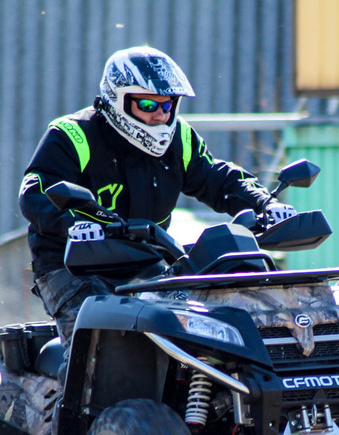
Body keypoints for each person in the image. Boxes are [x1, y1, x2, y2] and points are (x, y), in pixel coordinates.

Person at [19, 45, 296, 347]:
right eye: (148, 105)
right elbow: (37, 189)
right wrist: (73, 224)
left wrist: (265, 203)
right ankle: (73, 378)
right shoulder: (73, 134)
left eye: (167, 105)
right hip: (72, 265)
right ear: (117, 99)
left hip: (146, 261)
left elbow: (218, 178)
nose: (161, 114)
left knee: (204, 329)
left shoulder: (180, 138)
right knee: (100, 341)